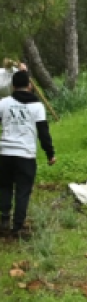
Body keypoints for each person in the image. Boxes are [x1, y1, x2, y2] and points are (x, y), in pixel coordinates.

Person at [0, 68, 56, 239]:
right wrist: (50, 153)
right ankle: (17, 226)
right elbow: (43, 133)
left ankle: (4, 219)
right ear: (29, 85)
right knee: (23, 190)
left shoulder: (3, 103)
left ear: (13, 86)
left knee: (4, 187)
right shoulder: (37, 106)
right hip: (25, 155)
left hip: (5, 153)